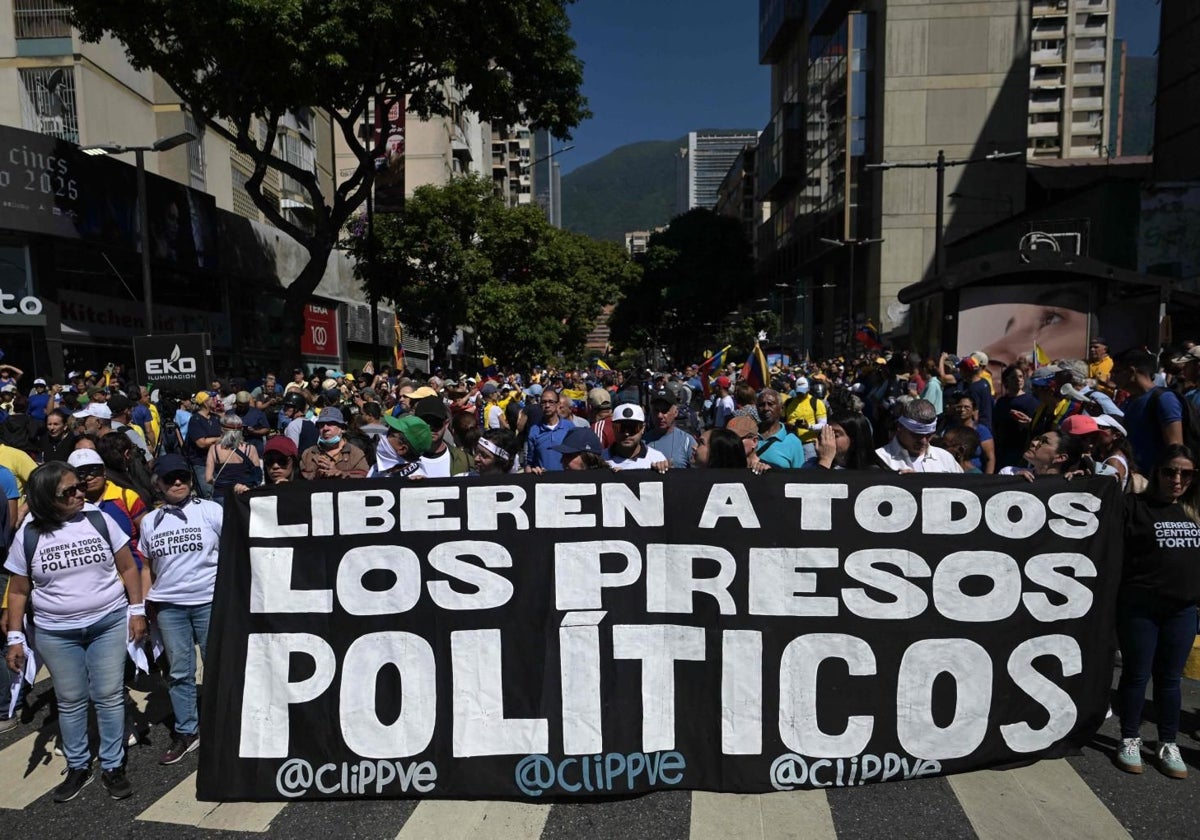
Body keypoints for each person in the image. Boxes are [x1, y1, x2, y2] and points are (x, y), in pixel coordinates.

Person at [3, 462, 146, 802]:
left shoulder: (98, 518)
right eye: (69, 491)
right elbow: (19, 591)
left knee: (109, 694)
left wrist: (137, 611)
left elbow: (128, 567)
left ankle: (112, 765)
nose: (80, 492)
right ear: (45, 499)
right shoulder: (30, 534)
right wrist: (14, 638)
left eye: (79, 485)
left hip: (107, 622)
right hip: (56, 633)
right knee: (69, 700)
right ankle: (79, 765)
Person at [1114, 445, 1200, 779]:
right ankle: (1130, 737)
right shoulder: (1133, 506)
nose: (1177, 479)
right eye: (1170, 471)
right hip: (1139, 608)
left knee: (1170, 680)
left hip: (1182, 610)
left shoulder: (1195, 510)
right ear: (1157, 473)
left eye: (1186, 473)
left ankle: (1167, 742)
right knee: (1137, 674)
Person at [138, 454, 223, 765]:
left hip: (209, 602)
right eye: (170, 478)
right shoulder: (150, 521)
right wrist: (144, 607)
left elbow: (232, 553)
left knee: (218, 664)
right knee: (179, 671)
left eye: (183, 477)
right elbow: (146, 567)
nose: (178, 483)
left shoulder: (212, 511)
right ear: (157, 483)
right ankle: (187, 730)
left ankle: (222, 724)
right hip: (169, 607)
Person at [1113, 348, 1184, 474]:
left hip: (1154, 481)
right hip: (1135, 478)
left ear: (1131, 371)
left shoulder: (1164, 399)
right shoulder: (1129, 402)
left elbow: (1175, 447)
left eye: (1116, 372)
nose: (1112, 377)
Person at [876, 399, 963, 473]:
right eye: (917, 435)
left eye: (929, 435)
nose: (923, 441)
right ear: (900, 427)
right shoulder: (880, 459)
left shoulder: (945, 458)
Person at [205, 413, 261, 504]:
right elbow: (257, 476)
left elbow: (208, 478)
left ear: (222, 430)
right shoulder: (250, 449)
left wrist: (223, 483)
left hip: (221, 495)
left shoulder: (214, 449)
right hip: (243, 494)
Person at [299, 407, 369, 480]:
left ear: (343, 429)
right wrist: (317, 475)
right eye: (321, 425)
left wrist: (341, 473)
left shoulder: (356, 454)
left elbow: (364, 477)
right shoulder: (308, 454)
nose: (325, 428)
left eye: (331, 424)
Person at [413, 396, 471, 477]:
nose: (431, 427)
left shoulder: (465, 460)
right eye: (425, 422)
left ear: (446, 424)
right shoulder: (403, 460)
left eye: (436, 422)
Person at [603, 404, 669, 472]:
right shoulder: (601, 460)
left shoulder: (657, 459)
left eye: (633, 428)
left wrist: (661, 470)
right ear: (613, 428)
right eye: (621, 428)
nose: (627, 433)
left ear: (643, 428)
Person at [754, 388, 806, 470]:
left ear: (781, 408)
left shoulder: (793, 442)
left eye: (770, 404)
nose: (766, 408)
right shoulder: (749, 436)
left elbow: (798, 478)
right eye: (761, 405)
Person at [645, 387, 696, 469]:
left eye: (665, 411)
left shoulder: (687, 441)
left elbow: (699, 473)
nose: (660, 416)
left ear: (676, 412)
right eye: (656, 410)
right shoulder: (642, 442)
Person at [183, 391, 222, 498]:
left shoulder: (216, 418)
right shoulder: (195, 420)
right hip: (201, 463)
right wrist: (219, 439)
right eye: (211, 399)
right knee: (208, 493)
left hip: (217, 461)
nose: (215, 400)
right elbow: (201, 443)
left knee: (220, 492)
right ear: (205, 403)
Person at [810, 410, 878, 470]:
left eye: (836, 435)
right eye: (826, 433)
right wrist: (825, 461)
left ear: (853, 439)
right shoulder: (811, 465)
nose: (827, 438)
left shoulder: (873, 473)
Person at [369, 414, 432, 478]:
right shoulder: (376, 468)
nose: (383, 435)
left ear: (402, 449)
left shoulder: (414, 483)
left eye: (390, 434)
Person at [525, 389, 571, 472]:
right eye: (543, 402)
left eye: (551, 402)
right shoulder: (534, 430)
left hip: (566, 481)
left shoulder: (569, 427)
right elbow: (529, 462)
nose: (547, 405)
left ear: (558, 404)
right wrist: (531, 470)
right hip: (543, 481)